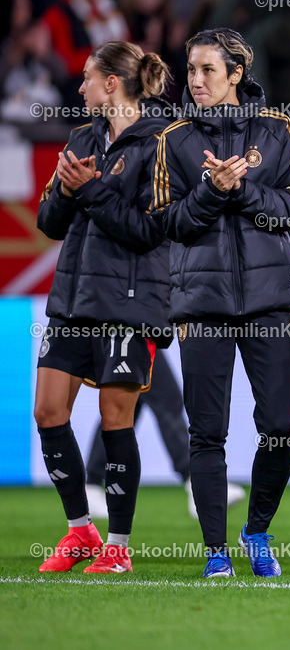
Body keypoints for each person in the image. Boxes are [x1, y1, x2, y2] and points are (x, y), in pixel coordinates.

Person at [151, 28, 290, 579]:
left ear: (236, 74)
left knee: (279, 425)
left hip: (271, 301)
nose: (195, 81)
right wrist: (210, 193)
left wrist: (239, 190)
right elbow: (164, 221)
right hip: (202, 301)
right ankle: (215, 550)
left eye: (207, 71)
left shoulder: (279, 130)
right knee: (207, 432)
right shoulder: (172, 139)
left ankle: (258, 530)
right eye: (190, 70)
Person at [35, 41, 172, 574]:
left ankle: (118, 546)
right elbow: (49, 223)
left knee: (116, 419)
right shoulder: (81, 138)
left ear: (112, 83)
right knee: (49, 411)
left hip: (129, 301)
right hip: (74, 296)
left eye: (88, 77)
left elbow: (150, 231)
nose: (80, 86)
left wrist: (90, 189)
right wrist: (71, 192)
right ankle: (79, 532)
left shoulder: (161, 143)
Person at [84, 350, 247, 521]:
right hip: (133, 334)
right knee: (164, 401)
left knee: (124, 408)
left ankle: (92, 486)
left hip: (130, 334)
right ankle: (198, 486)